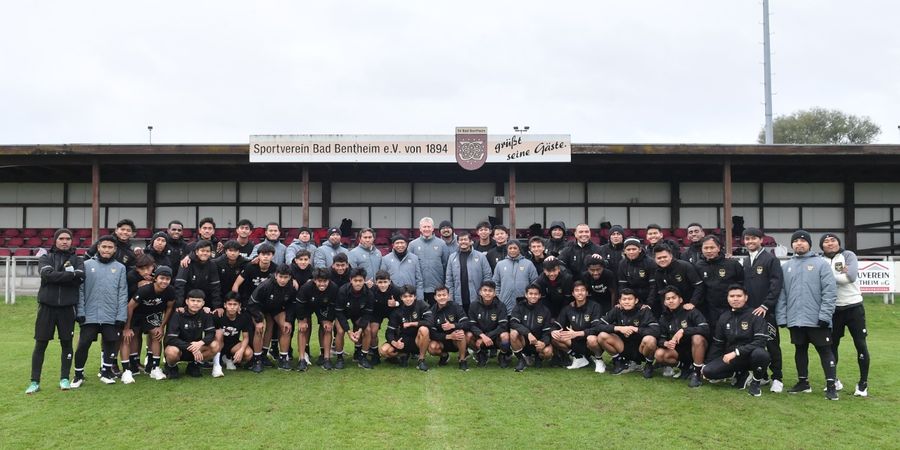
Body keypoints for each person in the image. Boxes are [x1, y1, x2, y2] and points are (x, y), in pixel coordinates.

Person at [776, 230, 839, 400]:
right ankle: (803, 383)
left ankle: (831, 385)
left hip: (817, 320)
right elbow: (781, 294)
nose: (799, 244)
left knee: (825, 351)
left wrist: (825, 316)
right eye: (795, 241)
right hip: (796, 319)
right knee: (800, 350)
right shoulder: (786, 266)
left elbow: (830, 292)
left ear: (809, 244)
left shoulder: (821, 264)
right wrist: (782, 317)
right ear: (792, 245)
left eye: (803, 241)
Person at [27, 228, 85, 394]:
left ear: (71, 241)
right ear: (55, 240)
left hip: (67, 309)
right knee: (40, 344)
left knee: (66, 343)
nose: (65, 241)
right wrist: (69, 276)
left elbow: (80, 277)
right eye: (61, 238)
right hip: (47, 308)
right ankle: (34, 381)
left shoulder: (77, 259)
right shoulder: (46, 257)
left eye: (68, 238)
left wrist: (56, 276)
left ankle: (64, 378)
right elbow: (46, 275)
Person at [71, 235, 128, 388]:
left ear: (114, 249)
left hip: (111, 315)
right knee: (83, 344)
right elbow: (81, 291)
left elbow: (123, 293)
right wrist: (80, 312)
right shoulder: (86, 264)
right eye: (104, 247)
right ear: (98, 248)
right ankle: (78, 374)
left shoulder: (120, 268)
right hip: (90, 314)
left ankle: (106, 372)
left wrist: (121, 315)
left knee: (110, 343)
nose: (107, 250)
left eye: (110, 247)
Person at [820, 232, 869, 397]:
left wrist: (826, 277)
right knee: (832, 346)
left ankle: (863, 384)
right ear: (822, 246)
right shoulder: (820, 260)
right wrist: (839, 276)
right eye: (826, 242)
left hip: (854, 307)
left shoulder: (848, 255)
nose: (830, 243)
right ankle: (834, 381)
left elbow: (851, 277)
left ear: (838, 243)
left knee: (860, 345)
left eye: (833, 240)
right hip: (833, 310)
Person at [702, 285, 771, 397]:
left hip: (750, 356)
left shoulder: (755, 315)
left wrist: (737, 352)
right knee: (708, 372)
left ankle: (756, 382)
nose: (735, 299)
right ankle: (740, 375)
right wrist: (706, 364)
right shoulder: (724, 317)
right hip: (732, 358)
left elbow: (760, 341)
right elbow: (718, 343)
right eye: (732, 296)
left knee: (761, 354)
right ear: (728, 298)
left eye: (739, 296)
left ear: (745, 298)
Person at [742, 227, 785, 393]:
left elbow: (776, 285)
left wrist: (766, 305)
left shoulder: (770, 260)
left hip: (766, 312)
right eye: (747, 239)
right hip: (750, 312)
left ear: (761, 240)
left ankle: (777, 378)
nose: (750, 241)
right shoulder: (746, 261)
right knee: (754, 345)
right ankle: (763, 375)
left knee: (772, 344)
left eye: (753, 238)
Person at [121, 266, 176, 383]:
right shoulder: (145, 289)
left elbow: (169, 308)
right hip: (136, 314)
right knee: (129, 336)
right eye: (162, 278)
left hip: (151, 314)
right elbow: (130, 307)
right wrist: (127, 327)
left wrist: (162, 327)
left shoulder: (170, 290)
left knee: (157, 334)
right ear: (155, 278)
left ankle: (155, 368)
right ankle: (129, 369)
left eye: (167, 279)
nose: (164, 281)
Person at [654, 286, 709, 388]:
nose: (671, 301)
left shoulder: (691, 311)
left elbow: (705, 328)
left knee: (697, 338)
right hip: (678, 351)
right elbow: (660, 338)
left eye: (673, 298)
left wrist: (684, 331)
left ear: (680, 300)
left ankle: (696, 374)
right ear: (665, 302)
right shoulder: (664, 317)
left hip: (696, 348)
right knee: (659, 354)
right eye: (668, 299)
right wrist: (665, 343)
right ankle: (685, 367)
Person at [597, 289, 659, 377]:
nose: (627, 302)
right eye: (624, 299)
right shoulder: (617, 309)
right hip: (622, 346)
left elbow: (656, 330)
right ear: (620, 301)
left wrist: (635, 329)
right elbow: (598, 326)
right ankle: (619, 362)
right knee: (601, 336)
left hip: (641, 349)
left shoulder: (644, 310)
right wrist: (619, 328)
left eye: (630, 299)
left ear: (636, 300)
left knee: (650, 339)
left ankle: (648, 365)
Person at [246, 264, 296, 372]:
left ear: (290, 277)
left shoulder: (291, 286)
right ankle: (257, 359)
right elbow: (251, 304)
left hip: (275, 308)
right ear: (276, 275)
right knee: (260, 328)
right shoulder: (265, 285)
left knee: (286, 328)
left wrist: (288, 320)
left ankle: (283, 359)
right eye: (281, 277)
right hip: (258, 308)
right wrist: (259, 320)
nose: (283, 280)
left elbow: (291, 304)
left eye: (285, 277)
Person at [163, 289, 220, 379]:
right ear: (187, 301)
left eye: (198, 301)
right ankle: (171, 367)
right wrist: (191, 347)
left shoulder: (206, 314)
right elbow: (171, 338)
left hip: (197, 348)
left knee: (215, 345)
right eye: (192, 300)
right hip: (180, 349)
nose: (195, 303)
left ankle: (194, 365)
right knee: (171, 351)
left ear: (203, 303)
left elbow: (211, 334)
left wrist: (200, 343)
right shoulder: (178, 314)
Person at [378, 285, 433, 372]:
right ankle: (403, 355)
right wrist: (394, 343)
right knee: (384, 351)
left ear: (414, 296)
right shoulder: (397, 311)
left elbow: (430, 322)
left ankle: (421, 359)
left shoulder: (422, 305)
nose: (408, 299)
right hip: (403, 340)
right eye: (405, 297)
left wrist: (412, 323)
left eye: (410, 296)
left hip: (418, 340)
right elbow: (389, 332)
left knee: (424, 329)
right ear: (401, 298)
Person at [293, 268, 340, 371]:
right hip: (307, 306)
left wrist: (329, 320)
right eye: (319, 281)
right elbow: (300, 305)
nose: (322, 284)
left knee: (327, 328)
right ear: (314, 280)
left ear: (329, 280)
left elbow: (333, 306)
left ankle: (326, 358)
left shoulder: (333, 288)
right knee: (303, 328)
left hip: (323, 307)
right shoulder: (306, 288)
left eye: (325, 281)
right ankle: (302, 360)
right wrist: (301, 320)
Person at [551, 282, 604, 370]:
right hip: (575, 342)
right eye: (577, 290)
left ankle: (599, 360)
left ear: (587, 293)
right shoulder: (568, 308)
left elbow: (597, 328)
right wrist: (553, 331)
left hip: (591, 342)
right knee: (555, 337)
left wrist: (578, 333)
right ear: (573, 293)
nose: (580, 293)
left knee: (591, 339)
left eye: (582, 290)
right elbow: (557, 324)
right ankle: (579, 358)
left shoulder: (595, 306)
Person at [695, 235, 744, 328]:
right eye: (706, 248)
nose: (709, 251)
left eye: (712, 247)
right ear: (701, 249)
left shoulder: (732, 264)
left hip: (730, 308)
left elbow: (742, 284)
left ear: (718, 248)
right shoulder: (698, 266)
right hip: (709, 309)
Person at [335, 268, 375, 369]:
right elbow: (339, 312)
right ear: (350, 280)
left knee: (368, 330)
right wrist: (348, 331)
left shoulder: (369, 294)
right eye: (355, 281)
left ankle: (363, 357)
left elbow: (367, 314)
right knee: (340, 331)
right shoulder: (342, 291)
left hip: (359, 315)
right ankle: (339, 358)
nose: (358, 283)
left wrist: (360, 329)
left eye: (360, 281)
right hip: (344, 313)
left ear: (364, 280)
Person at [509, 284, 554, 372]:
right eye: (530, 293)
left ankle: (538, 358)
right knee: (513, 333)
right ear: (526, 295)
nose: (533, 296)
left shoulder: (545, 310)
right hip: (524, 341)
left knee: (548, 352)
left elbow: (547, 332)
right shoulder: (519, 307)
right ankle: (521, 360)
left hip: (538, 342)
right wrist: (528, 334)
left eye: (536, 294)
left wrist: (544, 343)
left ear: (539, 295)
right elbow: (513, 323)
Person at [466, 280, 510, 368]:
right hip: (480, 337)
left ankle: (502, 355)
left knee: (505, 336)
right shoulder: (473, 305)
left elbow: (503, 326)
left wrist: (488, 336)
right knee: (468, 335)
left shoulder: (501, 306)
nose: (487, 293)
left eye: (490, 291)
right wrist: (482, 336)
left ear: (494, 293)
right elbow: (471, 325)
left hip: (495, 337)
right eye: (485, 290)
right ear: (480, 292)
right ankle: (480, 354)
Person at [427, 286, 471, 371]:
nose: (442, 297)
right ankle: (444, 355)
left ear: (449, 296)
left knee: (460, 332)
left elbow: (467, 324)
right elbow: (432, 334)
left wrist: (453, 326)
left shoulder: (455, 306)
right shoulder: (431, 311)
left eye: (444, 295)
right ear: (435, 297)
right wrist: (449, 336)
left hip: (456, 340)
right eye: (439, 295)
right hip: (442, 341)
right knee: (432, 348)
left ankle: (462, 360)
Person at [445, 233, 492, 312]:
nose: (463, 242)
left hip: (477, 298)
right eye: (461, 240)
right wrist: (450, 297)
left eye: (465, 239)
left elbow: (487, 276)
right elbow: (449, 279)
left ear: (471, 242)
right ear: (457, 242)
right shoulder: (452, 257)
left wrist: (484, 294)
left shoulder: (481, 257)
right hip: (458, 299)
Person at [174, 239, 222, 314]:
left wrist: (217, 307)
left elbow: (215, 287)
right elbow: (180, 285)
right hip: (187, 303)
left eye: (207, 251)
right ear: (196, 252)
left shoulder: (212, 265)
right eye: (202, 251)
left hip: (204, 302)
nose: (205, 253)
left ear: (210, 253)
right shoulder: (186, 263)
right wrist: (179, 305)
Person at [653, 244, 704, 315]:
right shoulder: (658, 273)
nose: (662, 260)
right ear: (655, 259)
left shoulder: (685, 266)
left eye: (665, 257)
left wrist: (692, 303)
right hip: (673, 309)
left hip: (691, 307)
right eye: (659, 258)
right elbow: (662, 293)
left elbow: (699, 286)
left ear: (671, 256)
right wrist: (665, 310)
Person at [410, 217, 450, 305]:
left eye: (429, 227)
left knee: (436, 314)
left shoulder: (442, 244)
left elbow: (445, 264)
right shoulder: (413, 245)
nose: (426, 229)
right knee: (420, 315)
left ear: (433, 228)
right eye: (424, 227)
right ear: (420, 229)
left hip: (436, 287)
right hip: (419, 288)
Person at [492, 240, 539, 313]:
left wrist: (529, 297)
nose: (512, 250)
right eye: (510, 248)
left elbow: (534, 282)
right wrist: (499, 296)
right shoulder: (500, 265)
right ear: (507, 250)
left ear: (519, 249)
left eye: (515, 248)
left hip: (524, 304)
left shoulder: (528, 264)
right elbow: (495, 283)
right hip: (504, 303)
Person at [368, 270, 404, 365]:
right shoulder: (372, 289)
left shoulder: (396, 290)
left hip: (392, 311)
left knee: (398, 330)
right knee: (373, 331)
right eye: (380, 282)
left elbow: (404, 302)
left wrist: (396, 303)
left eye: (385, 282)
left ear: (389, 281)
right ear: (376, 282)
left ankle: (395, 352)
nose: (383, 285)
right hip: (377, 312)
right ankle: (375, 354)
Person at [618, 238, 657, 312]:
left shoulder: (650, 262)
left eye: (634, 249)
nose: (631, 252)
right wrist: (623, 301)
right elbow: (622, 286)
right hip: (631, 300)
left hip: (649, 300)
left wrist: (649, 304)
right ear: (624, 251)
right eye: (628, 249)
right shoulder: (622, 264)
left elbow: (653, 286)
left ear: (640, 249)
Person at [380, 233, 424, 300]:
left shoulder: (414, 258)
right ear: (393, 245)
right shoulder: (386, 259)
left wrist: (420, 298)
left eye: (402, 243)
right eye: (397, 243)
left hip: (410, 295)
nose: (400, 245)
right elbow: (382, 278)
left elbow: (419, 280)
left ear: (406, 244)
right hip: (393, 295)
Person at [218, 292, 253, 371]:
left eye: (235, 304)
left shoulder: (243, 317)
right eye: (230, 304)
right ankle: (217, 360)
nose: (232, 307)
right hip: (219, 344)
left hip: (233, 345)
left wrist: (241, 350)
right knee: (219, 335)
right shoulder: (219, 315)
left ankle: (231, 360)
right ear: (225, 305)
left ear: (239, 305)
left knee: (248, 353)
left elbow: (246, 337)